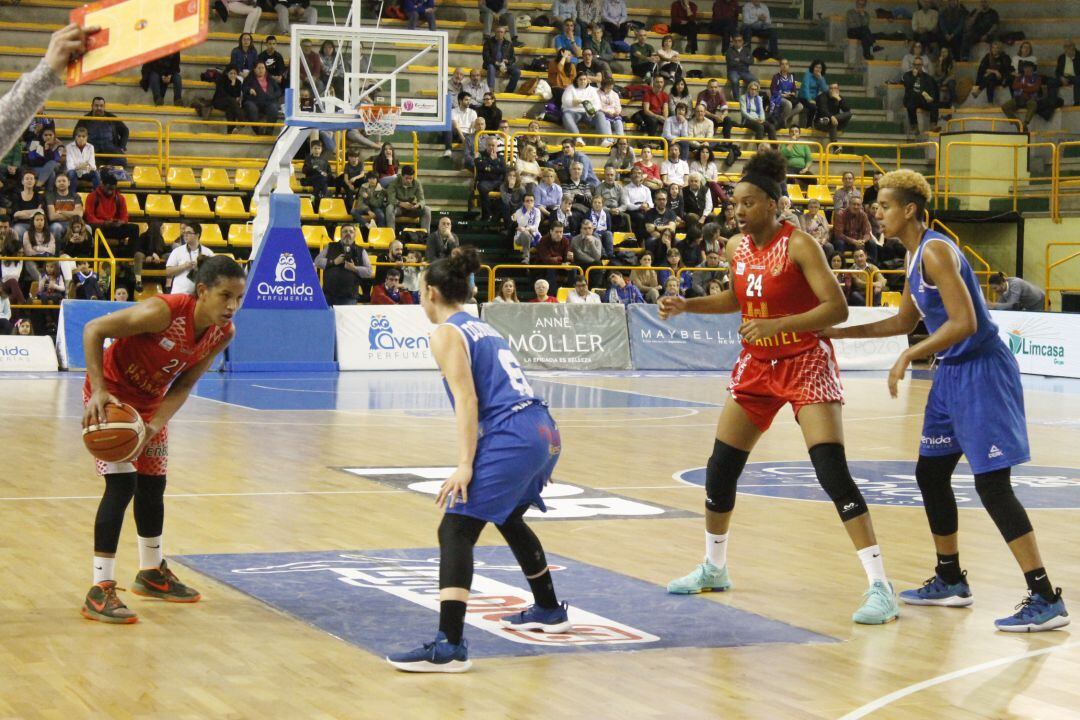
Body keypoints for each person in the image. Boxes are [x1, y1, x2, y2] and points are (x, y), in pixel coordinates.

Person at [660, 148, 899, 624]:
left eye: (748, 203)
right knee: (720, 468)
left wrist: (779, 325)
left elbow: (837, 308)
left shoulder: (800, 246)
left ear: (771, 203)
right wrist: (688, 305)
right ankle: (714, 566)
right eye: (735, 205)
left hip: (805, 361)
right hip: (756, 366)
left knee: (831, 471)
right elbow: (738, 297)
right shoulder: (735, 247)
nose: (739, 211)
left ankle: (881, 586)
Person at [824, 169, 1069, 632]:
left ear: (910, 210)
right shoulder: (914, 255)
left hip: (981, 370)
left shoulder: (936, 251)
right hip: (952, 375)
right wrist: (836, 334)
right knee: (930, 473)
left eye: (885, 206)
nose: (877, 212)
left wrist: (910, 356)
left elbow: (965, 323)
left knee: (992, 485)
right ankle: (951, 578)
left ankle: (1044, 596)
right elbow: (900, 322)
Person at [386, 247, 569, 672]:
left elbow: (467, 400)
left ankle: (449, 646)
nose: (419, 299)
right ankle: (548, 609)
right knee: (509, 517)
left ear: (431, 292)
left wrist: (465, 463)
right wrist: (533, 455)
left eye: (419, 292)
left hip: (515, 434)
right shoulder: (482, 327)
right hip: (543, 429)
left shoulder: (447, 333)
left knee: (455, 528)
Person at [80, 255, 244, 623]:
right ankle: (99, 588)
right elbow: (93, 330)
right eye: (224, 296)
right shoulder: (162, 312)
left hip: (151, 406)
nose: (232, 306)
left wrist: (156, 423)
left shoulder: (223, 333)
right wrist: (99, 392)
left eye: (238, 298)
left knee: (153, 485)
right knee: (121, 486)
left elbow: (185, 383)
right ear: (202, 291)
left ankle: (151, 572)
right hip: (113, 400)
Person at [315, 225, 373, 305]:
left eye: (351, 232)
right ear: (340, 234)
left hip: (349, 297)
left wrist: (355, 268)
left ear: (355, 235)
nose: (348, 233)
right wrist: (334, 262)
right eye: (345, 231)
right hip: (328, 295)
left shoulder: (361, 250)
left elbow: (369, 272)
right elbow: (317, 261)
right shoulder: (330, 246)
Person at [84, 173, 139, 256]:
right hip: (99, 227)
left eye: (112, 189)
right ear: (102, 185)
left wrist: (121, 222)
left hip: (114, 226)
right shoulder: (92, 196)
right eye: (108, 188)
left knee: (134, 228)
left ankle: (129, 257)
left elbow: (125, 216)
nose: (110, 191)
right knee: (96, 228)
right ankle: (95, 256)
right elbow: (89, 217)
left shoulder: (119, 198)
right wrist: (104, 223)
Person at [165, 223, 215, 296]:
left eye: (188, 233)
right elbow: (168, 272)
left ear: (197, 235)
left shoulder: (208, 252)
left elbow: (214, 274)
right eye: (184, 232)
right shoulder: (177, 251)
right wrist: (184, 266)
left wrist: (200, 268)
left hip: (199, 296)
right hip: (179, 294)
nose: (185, 235)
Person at [81, 96, 130, 167]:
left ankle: (106, 171)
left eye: (101, 106)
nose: (99, 108)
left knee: (121, 161)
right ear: (92, 106)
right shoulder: (84, 120)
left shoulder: (111, 118)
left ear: (104, 107)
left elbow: (125, 131)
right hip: (92, 152)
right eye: (96, 106)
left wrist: (122, 147)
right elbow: (76, 134)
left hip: (111, 151)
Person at [386, 166, 432, 233]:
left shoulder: (417, 183)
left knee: (427, 209)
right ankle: (391, 234)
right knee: (389, 208)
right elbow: (391, 199)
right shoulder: (394, 183)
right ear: (401, 176)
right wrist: (401, 203)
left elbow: (422, 200)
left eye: (411, 178)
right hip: (398, 208)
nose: (409, 180)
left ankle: (425, 236)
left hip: (411, 208)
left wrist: (418, 205)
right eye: (406, 178)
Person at [903, 57, 941, 134]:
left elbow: (932, 89)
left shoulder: (927, 78)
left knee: (934, 104)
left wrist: (931, 98)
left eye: (919, 65)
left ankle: (933, 125)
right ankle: (914, 127)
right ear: (913, 65)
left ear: (922, 65)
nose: (917, 66)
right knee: (910, 105)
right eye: (915, 64)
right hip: (912, 99)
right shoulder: (907, 75)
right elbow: (908, 85)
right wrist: (914, 77)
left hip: (923, 99)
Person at [1002, 64, 1043, 131]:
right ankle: (1018, 124)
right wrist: (1028, 86)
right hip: (1019, 98)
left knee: (1033, 104)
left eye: (1029, 68)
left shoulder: (1037, 78)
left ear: (1033, 69)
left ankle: (1025, 124)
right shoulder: (1020, 77)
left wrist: (1022, 87)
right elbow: (1014, 86)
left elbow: (1035, 88)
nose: (1027, 70)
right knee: (1005, 107)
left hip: (1030, 98)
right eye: (1026, 68)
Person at [133, 220, 171, 293]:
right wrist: (150, 254)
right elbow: (138, 248)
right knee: (138, 255)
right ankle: (138, 281)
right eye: (161, 228)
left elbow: (162, 249)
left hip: (158, 263)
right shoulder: (143, 236)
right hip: (146, 262)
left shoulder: (160, 238)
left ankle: (168, 283)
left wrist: (157, 255)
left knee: (169, 255)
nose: (163, 229)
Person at [46, 173, 82, 243]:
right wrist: (72, 214)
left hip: (74, 223)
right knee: (56, 227)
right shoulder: (51, 196)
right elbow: (52, 216)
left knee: (87, 228)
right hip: (57, 224)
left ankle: (85, 253)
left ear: (69, 183)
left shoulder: (75, 196)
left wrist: (61, 211)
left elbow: (79, 215)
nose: (61, 183)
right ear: (55, 184)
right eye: (59, 181)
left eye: (64, 181)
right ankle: (56, 253)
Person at [814, 82, 853, 147]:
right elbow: (823, 110)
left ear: (838, 90)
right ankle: (835, 147)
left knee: (849, 114)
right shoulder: (822, 97)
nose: (833, 90)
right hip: (820, 123)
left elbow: (847, 110)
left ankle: (829, 120)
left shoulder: (839, 97)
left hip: (834, 122)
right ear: (828, 89)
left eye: (835, 88)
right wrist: (831, 117)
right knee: (832, 123)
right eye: (831, 88)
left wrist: (839, 99)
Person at [769, 58, 803, 129]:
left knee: (800, 106)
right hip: (778, 97)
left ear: (789, 66)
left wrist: (793, 93)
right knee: (788, 104)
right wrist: (782, 95)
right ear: (780, 66)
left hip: (789, 97)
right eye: (782, 64)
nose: (784, 66)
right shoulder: (776, 77)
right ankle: (783, 121)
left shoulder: (791, 76)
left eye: (786, 64)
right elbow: (772, 90)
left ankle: (784, 118)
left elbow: (794, 88)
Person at [725, 34, 754, 101]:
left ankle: (750, 98)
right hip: (733, 71)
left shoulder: (747, 50)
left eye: (739, 41)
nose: (738, 42)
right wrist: (745, 60)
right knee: (735, 80)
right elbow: (731, 63)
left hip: (745, 71)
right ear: (733, 42)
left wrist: (739, 59)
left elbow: (751, 61)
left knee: (754, 80)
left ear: (743, 41)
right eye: (735, 41)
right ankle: (737, 99)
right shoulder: (729, 51)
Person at [800, 59, 828, 128]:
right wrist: (809, 99)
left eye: (820, 68)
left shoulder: (821, 77)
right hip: (804, 97)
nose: (818, 69)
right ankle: (808, 125)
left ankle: (820, 123)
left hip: (814, 98)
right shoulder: (808, 74)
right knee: (813, 107)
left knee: (824, 103)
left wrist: (820, 79)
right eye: (816, 67)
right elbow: (805, 88)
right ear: (813, 67)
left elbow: (825, 91)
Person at [1055, 42, 1079, 107]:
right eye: (1065, 48)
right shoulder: (1061, 57)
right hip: (1064, 77)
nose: (1067, 51)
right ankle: (1054, 102)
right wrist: (1061, 78)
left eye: (1069, 48)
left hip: (1075, 77)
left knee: (1078, 80)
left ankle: (1077, 103)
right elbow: (1057, 71)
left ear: (1074, 48)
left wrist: (1073, 59)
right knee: (1051, 82)